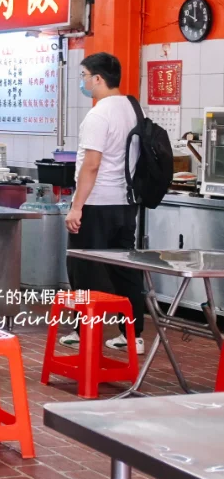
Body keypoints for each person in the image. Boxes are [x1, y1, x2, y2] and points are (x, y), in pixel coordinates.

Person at [64, 52, 144, 354]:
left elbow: (92, 165)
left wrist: (77, 206)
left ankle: (84, 332)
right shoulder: (133, 109)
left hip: (96, 204)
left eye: (84, 75)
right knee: (125, 270)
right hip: (126, 203)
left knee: (84, 270)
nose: (83, 81)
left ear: (98, 78)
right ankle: (132, 335)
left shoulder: (98, 115)